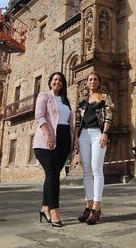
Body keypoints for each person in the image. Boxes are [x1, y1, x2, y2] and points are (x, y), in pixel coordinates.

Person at [33, 72, 74, 227]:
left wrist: (74, 138)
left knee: (53, 174)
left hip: (64, 140)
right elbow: (39, 116)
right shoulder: (44, 96)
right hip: (46, 140)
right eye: (55, 79)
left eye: (60, 80)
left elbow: (70, 121)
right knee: (52, 174)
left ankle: (45, 208)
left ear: (63, 84)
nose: (57, 82)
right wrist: (49, 135)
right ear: (50, 83)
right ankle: (54, 211)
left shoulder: (66, 100)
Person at [74, 72, 114, 225]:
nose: (92, 81)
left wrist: (105, 133)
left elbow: (109, 115)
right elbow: (77, 119)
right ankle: (89, 205)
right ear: (87, 82)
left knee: (97, 169)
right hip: (83, 135)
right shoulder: (82, 100)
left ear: (99, 82)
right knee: (86, 172)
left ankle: (97, 207)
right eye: (90, 79)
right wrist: (76, 136)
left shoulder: (104, 97)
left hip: (98, 134)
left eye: (95, 79)